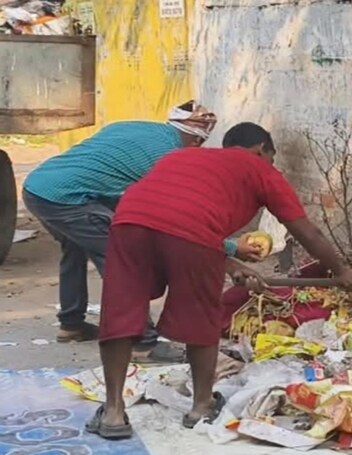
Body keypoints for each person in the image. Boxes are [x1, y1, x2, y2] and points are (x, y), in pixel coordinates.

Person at [86, 122, 352, 439]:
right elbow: (306, 231)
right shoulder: (263, 171)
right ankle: (202, 405)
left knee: (121, 310)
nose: (271, 164)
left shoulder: (182, 157)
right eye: (271, 158)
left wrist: (230, 265)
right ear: (261, 150)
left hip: (129, 221)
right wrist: (341, 271)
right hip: (191, 232)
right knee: (199, 313)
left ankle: (113, 412)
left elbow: (178, 215)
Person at [22, 102, 262, 358]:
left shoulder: (132, 127)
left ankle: (72, 324)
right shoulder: (171, 157)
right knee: (121, 260)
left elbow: (113, 180)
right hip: (67, 199)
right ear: (196, 140)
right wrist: (232, 248)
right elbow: (183, 222)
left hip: (38, 186)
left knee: (75, 248)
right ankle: (143, 342)